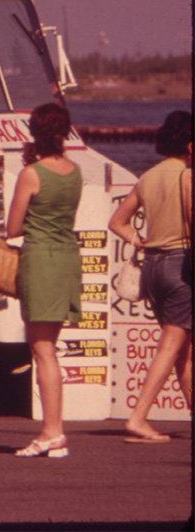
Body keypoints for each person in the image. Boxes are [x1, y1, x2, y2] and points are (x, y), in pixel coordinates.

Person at [108, 110, 192, 443]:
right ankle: (139, 417)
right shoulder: (187, 176)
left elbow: (117, 222)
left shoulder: (149, 177)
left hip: (153, 267)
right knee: (171, 346)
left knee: (183, 349)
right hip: (181, 264)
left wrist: (137, 240)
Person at [5, 102, 82, 459]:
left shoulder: (32, 173)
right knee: (49, 346)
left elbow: (13, 227)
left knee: (42, 350)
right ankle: (53, 431)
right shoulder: (75, 171)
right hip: (68, 257)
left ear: (35, 131)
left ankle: (52, 431)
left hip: (42, 260)